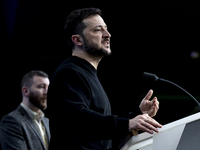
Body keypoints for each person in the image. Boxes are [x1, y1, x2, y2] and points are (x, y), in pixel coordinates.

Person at [47, 8, 162, 150]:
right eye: (98, 30)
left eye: (106, 29)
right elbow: (78, 119)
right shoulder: (69, 73)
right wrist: (127, 123)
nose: (108, 35)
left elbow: (100, 131)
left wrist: (138, 115)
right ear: (77, 39)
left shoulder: (86, 73)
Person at [0, 70, 50, 150]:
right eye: (41, 87)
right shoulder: (12, 121)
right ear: (26, 91)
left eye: (48, 87)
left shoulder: (47, 121)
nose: (47, 92)